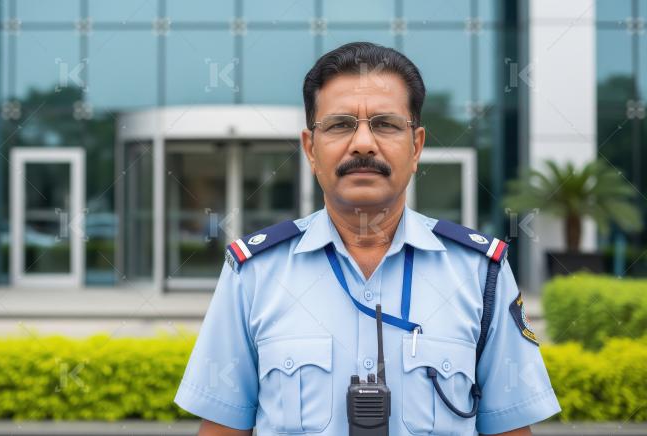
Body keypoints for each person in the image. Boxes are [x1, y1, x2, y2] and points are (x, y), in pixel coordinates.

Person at [174, 42, 560, 435]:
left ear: (417, 147)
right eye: (340, 125)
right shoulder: (253, 273)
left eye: (386, 124)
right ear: (310, 148)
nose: (362, 143)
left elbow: (510, 428)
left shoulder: (481, 274)